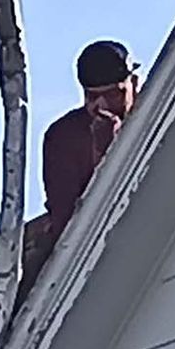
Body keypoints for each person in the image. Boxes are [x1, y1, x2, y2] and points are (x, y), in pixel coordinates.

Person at [42, 40, 138, 243]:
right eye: (92, 97)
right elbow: (65, 220)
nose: (102, 105)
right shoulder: (63, 136)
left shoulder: (158, 113)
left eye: (113, 94)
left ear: (134, 84)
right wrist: (102, 153)